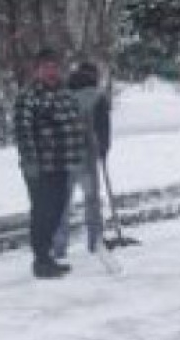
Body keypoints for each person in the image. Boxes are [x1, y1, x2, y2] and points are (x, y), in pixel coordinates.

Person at [13, 48, 88, 279]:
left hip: (62, 165)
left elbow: (75, 123)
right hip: (40, 167)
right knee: (42, 213)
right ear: (36, 70)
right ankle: (41, 260)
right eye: (46, 67)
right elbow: (23, 132)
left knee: (56, 212)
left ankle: (48, 256)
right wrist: (30, 163)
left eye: (55, 67)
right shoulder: (29, 96)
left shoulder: (65, 94)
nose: (51, 72)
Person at [52, 61, 112, 260]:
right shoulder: (98, 97)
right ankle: (95, 241)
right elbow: (103, 128)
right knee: (92, 201)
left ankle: (59, 246)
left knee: (62, 204)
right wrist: (103, 150)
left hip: (65, 157)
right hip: (87, 156)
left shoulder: (63, 96)